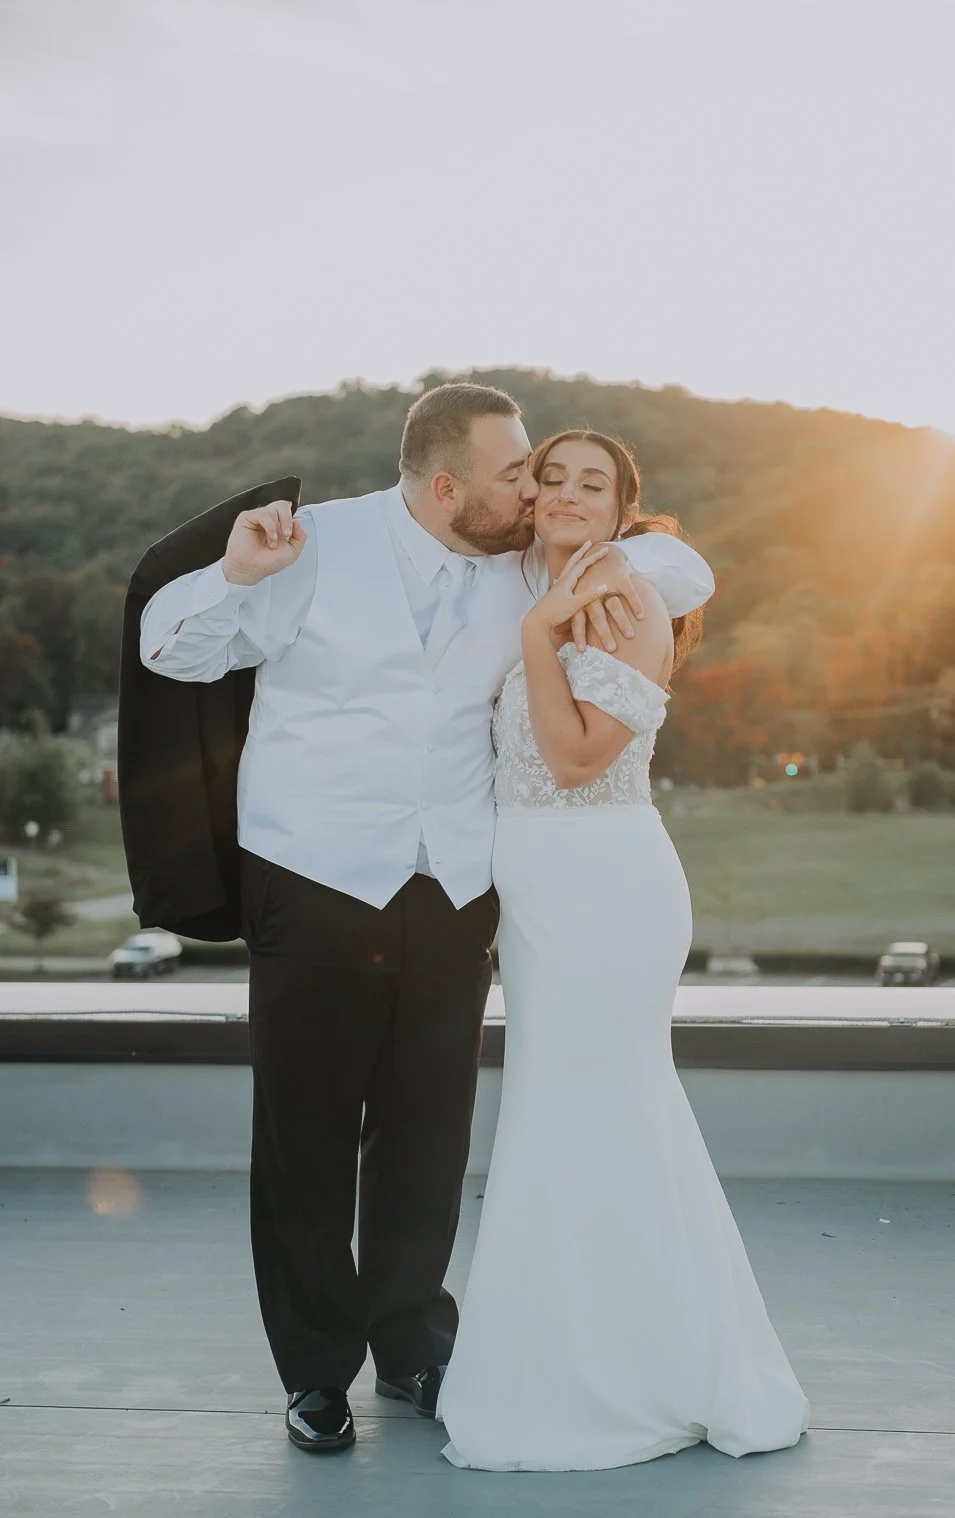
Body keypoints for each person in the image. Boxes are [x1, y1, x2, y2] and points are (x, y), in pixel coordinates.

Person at [137, 385, 714, 1453]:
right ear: (448, 486)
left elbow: (684, 568)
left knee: (427, 1135)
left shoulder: (516, 563)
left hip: (452, 884)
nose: (534, 489)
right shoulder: (310, 547)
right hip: (312, 876)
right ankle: (315, 1371)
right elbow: (170, 648)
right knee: (304, 1136)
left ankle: (412, 1345)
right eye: (517, 473)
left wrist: (620, 560)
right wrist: (232, 572)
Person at [437, 430, 810, 1471]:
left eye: (589, 484)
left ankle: (630, 1374)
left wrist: (534, 637)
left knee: (593, 1118)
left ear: (621, 509)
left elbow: (572, 757)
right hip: (548, 902)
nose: (563, 493)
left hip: (604, 892)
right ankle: (591, 1352)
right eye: (549, 477)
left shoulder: (621, 600)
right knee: (568, 1124)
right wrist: (536, 619)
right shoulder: (555, 587)